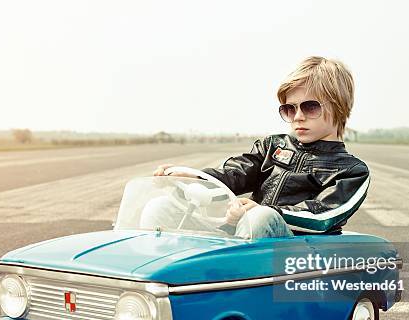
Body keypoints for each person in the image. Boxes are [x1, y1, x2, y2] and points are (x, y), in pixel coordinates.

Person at [153, 56, 370, 239]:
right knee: (161, 207)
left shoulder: (352, 171)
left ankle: (233, 282)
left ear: (340, 107)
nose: (298, 117)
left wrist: (263, 211)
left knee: (261, 217)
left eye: (310, 107)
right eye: (289, 109)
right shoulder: (272, 146)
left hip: (296, 251)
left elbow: (323, 216)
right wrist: (192, 179)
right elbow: (234, 174)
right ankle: (152, 286)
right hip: (246, 234)